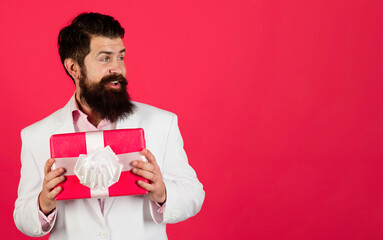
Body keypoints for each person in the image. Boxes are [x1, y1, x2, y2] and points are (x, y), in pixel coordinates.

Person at [14, 12, 205, 240]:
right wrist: (43, 203)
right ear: (74, 68)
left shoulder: (163, 123)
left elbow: (194, 195)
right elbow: (22, 217)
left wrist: (163, 192)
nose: (118, 69)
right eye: (105, 58)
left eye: (121, 57)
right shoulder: (36, 136)